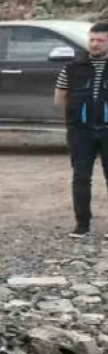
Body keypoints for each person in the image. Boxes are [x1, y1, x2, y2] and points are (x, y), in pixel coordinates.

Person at [55, 22, 108, 238]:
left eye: (101, 40)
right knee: (80, 177)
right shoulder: (72, 68)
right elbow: (60, 98)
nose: (95, 44)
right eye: (92, 40)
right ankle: (82, 225)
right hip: (81, 132)